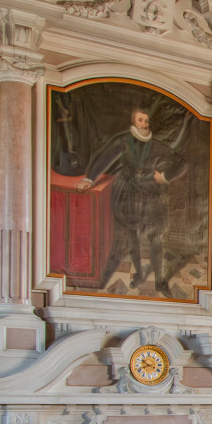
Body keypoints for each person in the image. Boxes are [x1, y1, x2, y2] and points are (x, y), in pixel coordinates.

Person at [79, 106, 187, 295]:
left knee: (156, 239)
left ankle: (160, 281)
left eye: (146, 121)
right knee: (132, 237)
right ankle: (139, 273)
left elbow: (181, 162)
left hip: (150, 193)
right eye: (140, 120)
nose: (144, 124)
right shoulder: (122, 141)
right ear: (133, 122)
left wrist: (164, 176)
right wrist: (89, 179)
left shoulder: (156, 145)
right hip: (127, 192)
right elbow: (104, 158)